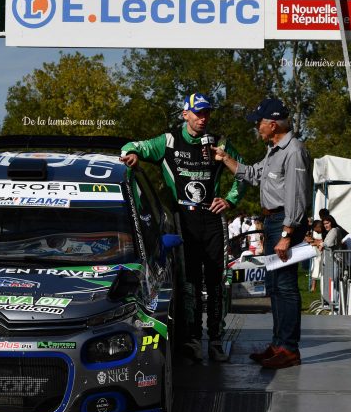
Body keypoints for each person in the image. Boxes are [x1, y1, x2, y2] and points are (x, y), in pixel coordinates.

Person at [120, 93, 245, 363]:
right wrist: (130, 155)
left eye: (207, 113)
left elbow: (244, 174)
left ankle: (215, 339)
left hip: (212, 219)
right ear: (185, 114)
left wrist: (230, 200)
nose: (203, 118)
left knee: (217, 282)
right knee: (189, 281)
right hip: (182, 220)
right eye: (198, 113)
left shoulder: (220, 143)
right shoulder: (168, 141)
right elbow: (132, 146)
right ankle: (190, 338)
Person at [216, 97, 311, 370]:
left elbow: (296, 196)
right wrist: (225, 159)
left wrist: (287, 233)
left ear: (273, 124)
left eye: (259, 122)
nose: (257, 127)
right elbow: (252, 174)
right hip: (274, 222)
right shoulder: (274, 150)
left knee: (286, 288)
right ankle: (279, 344)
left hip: (284, 222)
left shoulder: (293, 151)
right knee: (276, 288)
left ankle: (289, 349)